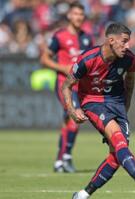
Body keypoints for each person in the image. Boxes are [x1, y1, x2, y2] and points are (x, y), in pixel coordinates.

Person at [63, 22, 135, 199]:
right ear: (110, 40)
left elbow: (130, 84)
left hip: (117, 104)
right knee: (118, 139)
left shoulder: (129, 59)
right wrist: (73, 111)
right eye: (124, 42)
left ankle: (82, 195)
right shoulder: (87, 59)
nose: (127, 46)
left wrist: (125, 109)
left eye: (128, 42)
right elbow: (66, 86)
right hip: (93, 102)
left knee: (116, 155)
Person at [40, 2, 93, 173]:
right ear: (69, 16)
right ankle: (67, 158)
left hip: (81, 86)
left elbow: (91, 61)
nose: (78, 17)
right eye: (75, 14)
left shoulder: (87, 37)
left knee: (68, 122)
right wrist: (63, 68)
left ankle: (59, 161)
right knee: (75, 115)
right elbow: (45, 59)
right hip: (65, 85)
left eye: (81, 14)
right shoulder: (59, 36)